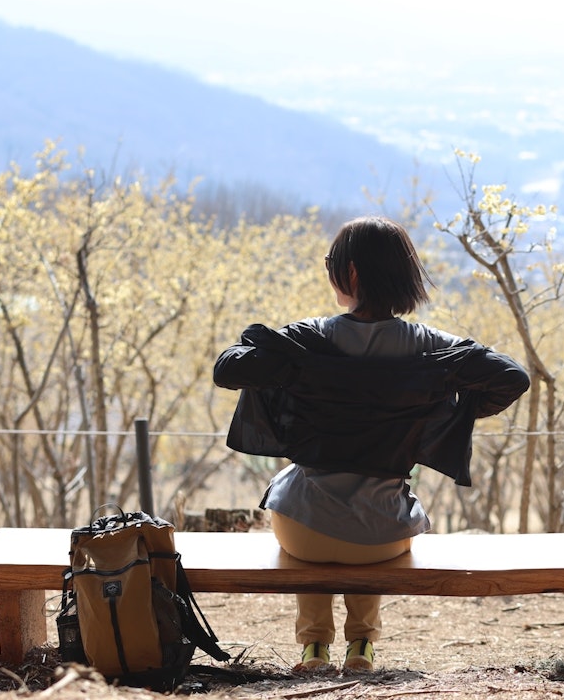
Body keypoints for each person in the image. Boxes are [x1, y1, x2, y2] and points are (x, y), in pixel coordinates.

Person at [213, 216, 529, 673]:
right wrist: (434, 411)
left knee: (304, 504)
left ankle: (314, 649)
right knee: (374, 514)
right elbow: (511, 377)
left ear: (353, 273)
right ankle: (361, 646)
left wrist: (292, 372)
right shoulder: (431, 347)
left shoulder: (308, 340)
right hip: (380, 539)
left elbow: (230, 368)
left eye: (332, 264)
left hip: (305, 530)